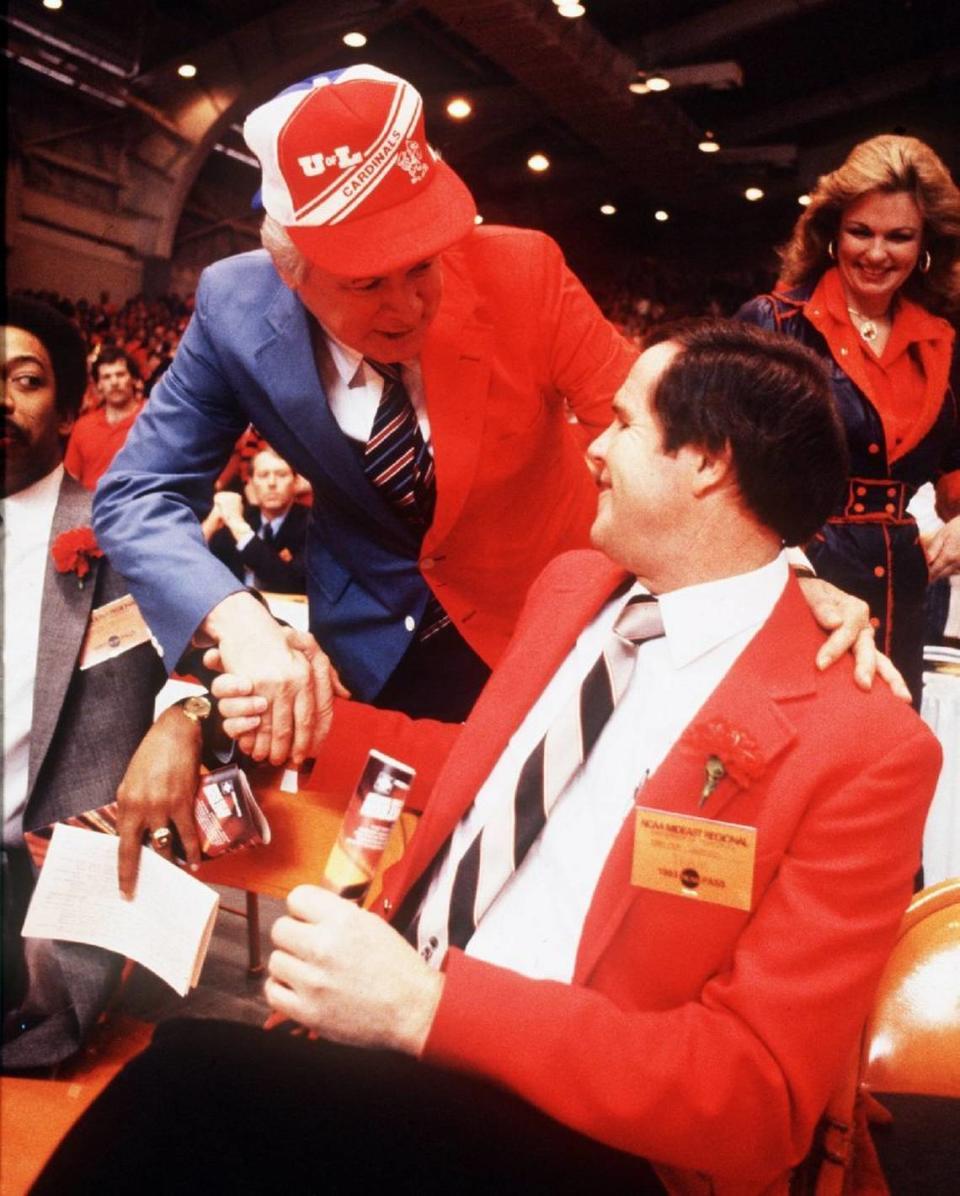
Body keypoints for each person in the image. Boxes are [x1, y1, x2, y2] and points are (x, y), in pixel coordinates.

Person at [35, 323, 940, 1194]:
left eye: (623, 425)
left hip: (589, 1134)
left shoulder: (866, 746)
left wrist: (430, 1010)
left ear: (708, 463)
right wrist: (218, 718)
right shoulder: (576, 588)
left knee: (184, 1088)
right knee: (183, 1079)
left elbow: (756, 1098)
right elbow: (477, 764)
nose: (593, 449)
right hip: (391, 1046)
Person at [92, 64, 876, 762]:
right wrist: (237, 618)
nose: (407, 307)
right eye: (365, 283)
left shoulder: (521, 270)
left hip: (546, 625)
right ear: (292, 271)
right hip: (369, 646)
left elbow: (661, 428)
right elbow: (138, 494)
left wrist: (779, 570)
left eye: (422, 265)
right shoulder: (234, 307)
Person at [1, 299, 211, 1071]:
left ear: (67, 416)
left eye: (24, 380)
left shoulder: (120, 535)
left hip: (36, 900)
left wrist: (183, 715)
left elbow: (214, 658)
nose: (1, 398)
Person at [738, 134, 960, 705]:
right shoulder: (774, 323)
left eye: (899, 236)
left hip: (907, 598)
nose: (877, 253)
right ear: (831, 233)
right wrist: (797, 570)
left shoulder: (944, 342)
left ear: (926, 245)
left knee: (884, 762)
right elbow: (721, 472)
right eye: (861, 231)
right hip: (794, 586)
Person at [204, 447, 308, 594]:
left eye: (281, 475)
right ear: (251, 483)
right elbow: (195, 567)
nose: (271, 483)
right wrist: (211, 523)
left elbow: (294, 583)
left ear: (296, 482)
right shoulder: (242, 516)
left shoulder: (312, 525)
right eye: (263, 475)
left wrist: (240, 529)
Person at [64, 347, 144, 490]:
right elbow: (70, 484)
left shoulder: (151, 418)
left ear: (133, 379)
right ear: (98, 385)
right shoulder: (83, 427)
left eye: (120, 374)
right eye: (106, 377)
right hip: (90, 509)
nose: (114, 382)